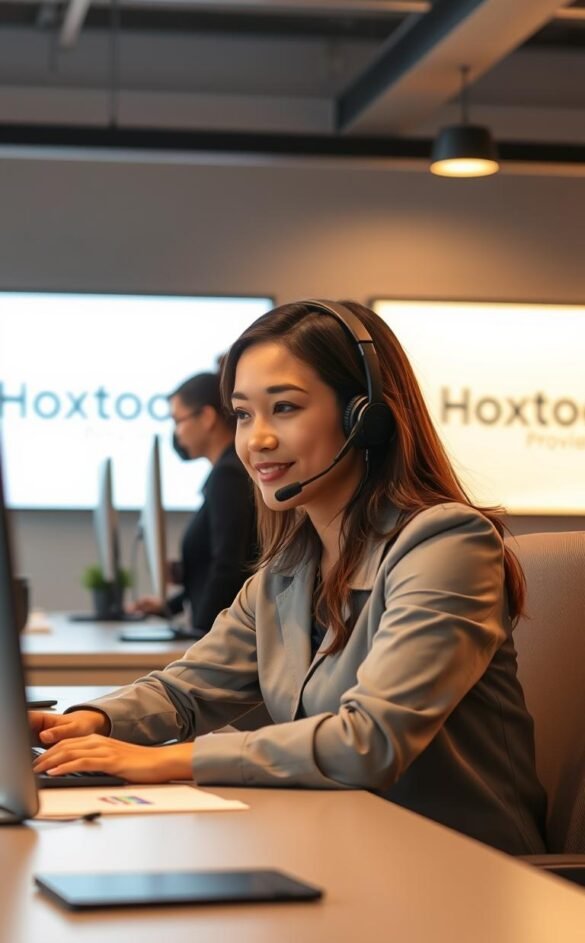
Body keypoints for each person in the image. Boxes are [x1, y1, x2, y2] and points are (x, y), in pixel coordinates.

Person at [31, 300, 547, 855]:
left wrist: (163, 761)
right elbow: (187, 690)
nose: (257, 440)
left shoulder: (446, 544)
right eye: (244, 415)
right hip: (340, 845)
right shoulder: (290, 567)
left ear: (365, 418)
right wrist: (87, 722)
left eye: (284, 408)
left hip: (463, 868)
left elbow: (370, 742)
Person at [132, 371, 257, 634]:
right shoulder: (225, 474)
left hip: (223, 639)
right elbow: (212, 569)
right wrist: (170, 606)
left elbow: (229, 567)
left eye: (178, 421)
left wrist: (201, 636)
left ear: (207, 417)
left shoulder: (228, 475)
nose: (176, 433)